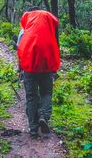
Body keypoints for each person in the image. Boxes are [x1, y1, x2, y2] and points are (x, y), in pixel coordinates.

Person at [17, 8, 60, 136]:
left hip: (29, 66)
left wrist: (19, 69)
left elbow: (20, 50)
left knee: (31, 96)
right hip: (46, 66)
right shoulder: (48, 31)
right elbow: (54, 49)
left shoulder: (24, 31)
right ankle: (44, 116)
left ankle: (33, 128)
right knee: (46, 92)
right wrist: (54, 69)